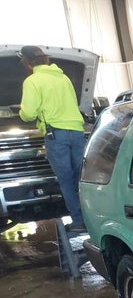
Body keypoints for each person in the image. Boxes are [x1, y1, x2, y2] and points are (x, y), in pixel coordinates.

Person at [17, 45, 87, 232]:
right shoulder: (63, 78)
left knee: (66, 179)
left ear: (27, 62)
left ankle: (79, 221)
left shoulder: (33, 81)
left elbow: (29, 113)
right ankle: (91, 218)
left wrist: (21, 112)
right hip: (77, 131)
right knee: (82, 179)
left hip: (57, 135)